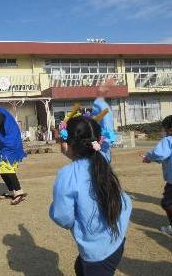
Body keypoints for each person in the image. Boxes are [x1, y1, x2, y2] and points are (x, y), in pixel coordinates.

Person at [50, 116, 132, 276]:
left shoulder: (67, 174)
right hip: (116, 237)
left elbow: (63, 217)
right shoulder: (101, 159)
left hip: (98, 249)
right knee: (80, 268)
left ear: (67, 143)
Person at [91, 82, 117, 162]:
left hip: (102, 139)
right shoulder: (98, 104)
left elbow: (107, 125)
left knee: (103, 160)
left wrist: (105, 139)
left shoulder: (102, 105)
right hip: (99, 138)